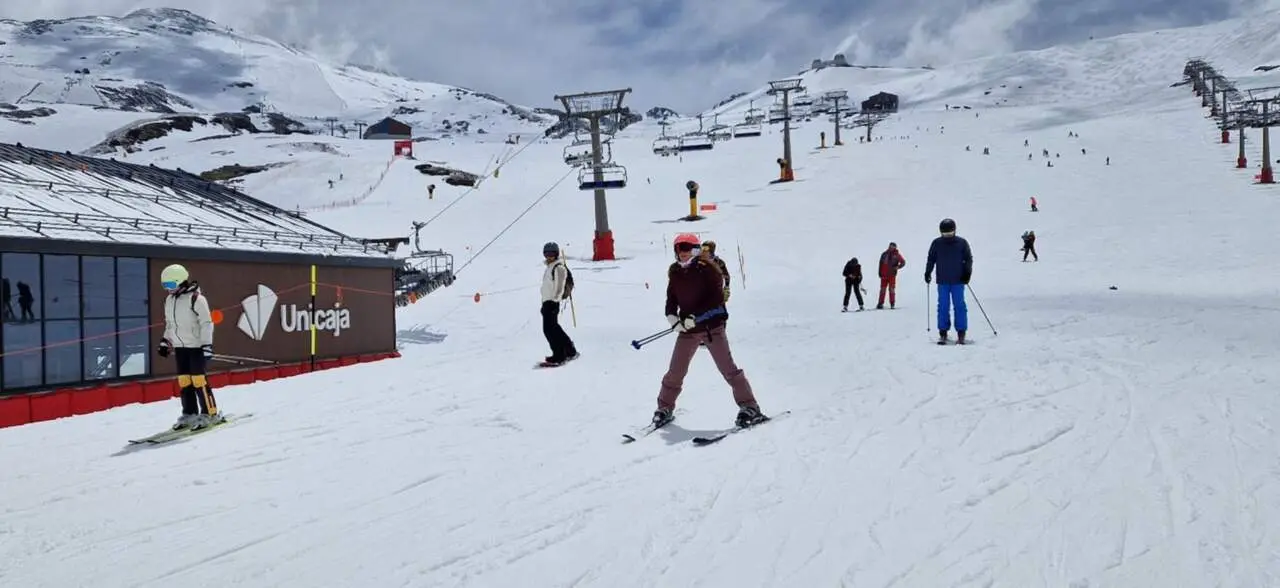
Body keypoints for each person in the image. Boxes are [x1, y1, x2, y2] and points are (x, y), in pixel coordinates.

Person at [654, 233, 766, 428]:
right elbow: (671, 298)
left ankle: (750, 406)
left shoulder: (709, 270)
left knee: (728, 370)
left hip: (711, 328)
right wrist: (672, 318)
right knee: (675, 372)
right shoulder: (675, 272)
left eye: (687, 248)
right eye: (679, 249)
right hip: (688, 330)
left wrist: (694, 317)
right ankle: (664, 407)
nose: (683, 253)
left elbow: (715, 301)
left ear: (696, 249)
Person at [157, 263, 222, 430]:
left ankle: (210, 413)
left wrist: (207, 345)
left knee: (199, 380)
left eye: (170, 285)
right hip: (180, 347)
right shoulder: (169, 300)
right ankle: (190, 413)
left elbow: (207, 324)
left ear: (180, 281)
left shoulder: (197, 299)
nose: (168, 289)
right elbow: (170, 324)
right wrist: (166, 341)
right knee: (185, 381)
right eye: (165, 285)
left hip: (196, 346)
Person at [924, 218, 974, 344]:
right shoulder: (936, 243)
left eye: (950, 233)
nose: (948, 236)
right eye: (945, 234)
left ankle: (961, 333)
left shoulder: (961, 243)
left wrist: (967, 273)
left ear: (954, 231)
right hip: (943, 280)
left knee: (959, 306)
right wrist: (928, 272)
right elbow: (931, 259)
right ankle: (943, 332)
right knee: (943, 306)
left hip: (958, 280)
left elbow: (968, 259)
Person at [539, 242, 578, 365]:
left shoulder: (558, 267)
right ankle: (569, 350)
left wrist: (554, 301)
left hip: (552, 303)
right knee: (553, 328)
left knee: (549, 330)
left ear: (556, 254)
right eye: (546, 254)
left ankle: (559, 354)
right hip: (547, 302)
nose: (549, 256)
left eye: (551, 254)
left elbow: (559, 287)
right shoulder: (550, 267)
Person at [876, 242, 906, 309]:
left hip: (892, 275)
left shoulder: (897, 255)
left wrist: (898, 267)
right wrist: (879, 272)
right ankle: (880, 303)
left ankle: (892, 303)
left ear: (895, 247)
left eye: (893, 247)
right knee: (882, 289)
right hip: (883, 275)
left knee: (891, 289)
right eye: (890, 246)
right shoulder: (884, 254)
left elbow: (903, 262)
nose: (891, 248)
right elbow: (880, 264)